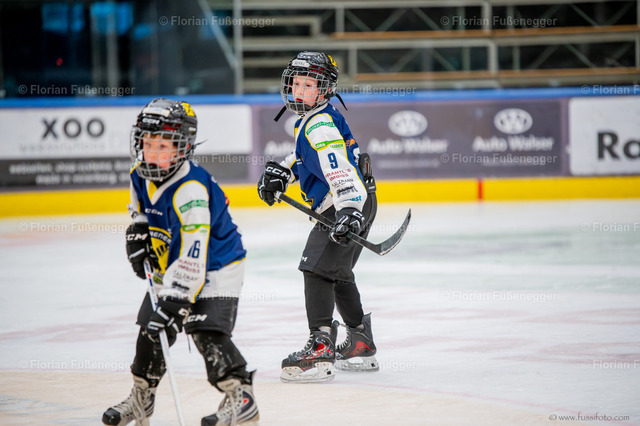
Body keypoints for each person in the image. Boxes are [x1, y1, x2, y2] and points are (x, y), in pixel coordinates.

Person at [103, 98, 259, 425]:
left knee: (205, 330)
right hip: (171, 261)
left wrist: (177, 298)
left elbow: (194, 252)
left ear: (183, 147)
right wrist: (138, 232)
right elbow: (141, 212)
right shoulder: (140, 175)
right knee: (151, 328)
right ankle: (141, 398)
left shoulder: (191, 191)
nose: (152, 153)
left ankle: (241, 398)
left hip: (217, 265)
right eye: (147, 143)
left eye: (163, 146)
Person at [258, 51, 379, 383]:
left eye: (309, 85)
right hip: (360, 201)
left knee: (314, 268)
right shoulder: (316, 118)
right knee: (337, 273)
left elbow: (338, 168)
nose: (299, 90)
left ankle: (320, 348)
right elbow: (307, 158)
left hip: (346, 203)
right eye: (296, 83)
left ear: (325, 89)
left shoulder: (320, 123)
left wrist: (348, 209)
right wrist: (283, 172)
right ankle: (360, 343)